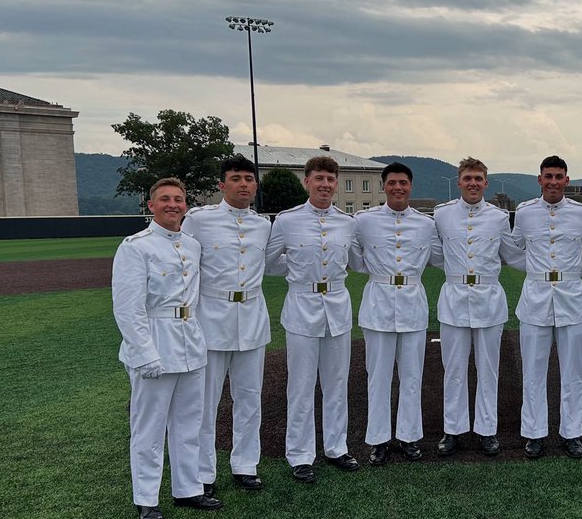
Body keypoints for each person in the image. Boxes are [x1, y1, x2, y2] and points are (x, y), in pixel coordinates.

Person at [112, 177, 222, 519]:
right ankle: (146, 498)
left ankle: (188, 488)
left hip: (190, 339)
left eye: (178, 199)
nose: (172, 205)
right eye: (165, 199)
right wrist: (144, 353)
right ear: (151, 205)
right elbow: (128, 308)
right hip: (155, 340)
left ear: (186, 206)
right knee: (149, 427)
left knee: (189, 422)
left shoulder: (191, 245)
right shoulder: (135, 246)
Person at [265, 156, 359, 483]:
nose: (325, 184)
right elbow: (267, 261)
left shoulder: (347, 223)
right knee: (301, 385)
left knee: (336, 384)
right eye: (318, 178)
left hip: (337, 306)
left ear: (336, 183)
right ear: (306, 181)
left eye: (330, 179)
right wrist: (295, 273)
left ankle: (336, 447)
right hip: (302, 306)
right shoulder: (287, 221)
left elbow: (357, 260)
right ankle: (301, 454)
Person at [181, 155, 271, 494]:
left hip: (251, 317)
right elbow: (184, 265)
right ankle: (203, 472)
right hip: (211, 317)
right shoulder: (199, 220)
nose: (244, 184)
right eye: (236, 178)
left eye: (249, 178)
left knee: (249, 397)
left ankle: (245, 464)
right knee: (205, 402)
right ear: (222, 185)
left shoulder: (263, 225)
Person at [352, 162, 443, 465]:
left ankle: (409, 437)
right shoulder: (364, 220)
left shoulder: (426, 224)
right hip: (378, 302)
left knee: (412, 376)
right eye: (392, 183)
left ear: (410, 186)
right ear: (384, 186)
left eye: (403, 183)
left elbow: (438, 258)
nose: (398, 188)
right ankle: (378, 440)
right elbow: (355, 257)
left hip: (412, 304)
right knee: (377, 377)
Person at [510, 155, 582, 459]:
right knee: (533, 372)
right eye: (548, 176)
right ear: (539, 180)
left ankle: (572, 433)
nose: (553, 182)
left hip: (572, 299)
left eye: (559, 176)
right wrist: (537, 272)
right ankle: (533, 434)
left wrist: (570, 274)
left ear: (567, 181)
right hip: (535, 299)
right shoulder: (525, 213)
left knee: (573, 372)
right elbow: (513, 250)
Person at [432, 157, 517, 457]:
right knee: (453, 369)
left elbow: (508, 253)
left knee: (488, 369)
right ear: (459, 181)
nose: (473, 183)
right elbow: (435, 254)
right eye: (467, 178)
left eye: (478, 178)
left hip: (489, 298)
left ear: (486, 182)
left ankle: (487, 430)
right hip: (454, 297)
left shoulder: (498, 217)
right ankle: (453, 430)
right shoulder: (442, 215)